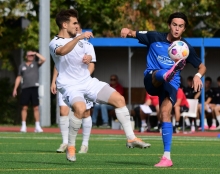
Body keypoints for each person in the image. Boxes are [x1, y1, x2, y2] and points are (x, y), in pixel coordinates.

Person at [49, 9, 150, 162]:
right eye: (74, 23)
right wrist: (80, 37)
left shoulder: (83, 40)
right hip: (69, 86)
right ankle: (70, 146)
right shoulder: (55, 42)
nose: (77, 26)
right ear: (64, 25)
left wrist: (88, 58)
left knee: (119, 99)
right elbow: (63, 51)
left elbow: (90, 60)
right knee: (80, 109)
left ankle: (131, 138)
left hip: (88, 82)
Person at [121, 12, 206, 167]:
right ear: (169, 25)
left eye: (180, 26)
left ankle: (167, 158)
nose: (177, 29)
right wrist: (127, 31)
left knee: (165, 113)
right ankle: (165, 74)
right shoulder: (154, 37)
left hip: (171, 84)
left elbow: (202, 66)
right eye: (174, 25)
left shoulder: (185, 48)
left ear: (184, 29)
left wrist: (198, 76)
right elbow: (133, 33)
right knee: (156, 73)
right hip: (152, 80)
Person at [50, 23, 95, 153]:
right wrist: (53, 81)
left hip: (82, 85)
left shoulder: (87, 45)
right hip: (65, 85)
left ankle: (84, 144)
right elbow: (58, 64)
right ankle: (65, 142)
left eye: (78, 27)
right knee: (63, 112)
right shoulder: (63, 44)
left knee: (85, 112)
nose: (76, 29)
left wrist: (84, 76)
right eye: (74, 26)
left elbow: (92, 64)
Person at [12, 51, 46, 132]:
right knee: (24, 107)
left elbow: (44, 59)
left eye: (32, 56)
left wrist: (35, 53)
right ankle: (23, 126)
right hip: (25, 88)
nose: (31, 57)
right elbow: (19, 77)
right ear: (26, 56)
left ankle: (37, 126)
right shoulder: (22, 66)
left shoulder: (36, 64)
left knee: (36, 107)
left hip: (34, 88)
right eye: (29, 55)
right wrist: (15, 88)